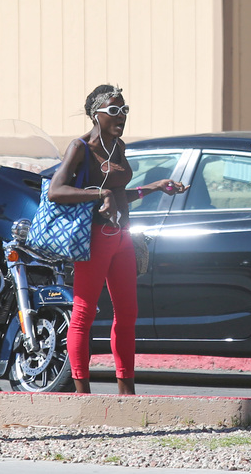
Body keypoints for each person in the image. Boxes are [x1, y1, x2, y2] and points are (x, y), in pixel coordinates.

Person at [48, 84, 188, 395]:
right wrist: (101, 194)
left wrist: (155, 187)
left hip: (122, 237)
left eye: (124, 110)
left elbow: (121, 194)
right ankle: (82, 393)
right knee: (84, 313)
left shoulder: (118, 145)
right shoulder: (80, 148)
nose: (121, 116)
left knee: (127, 314)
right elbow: (55, 191)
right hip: (94, 238)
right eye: (114, 110)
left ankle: (127, 392)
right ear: (95, 114)